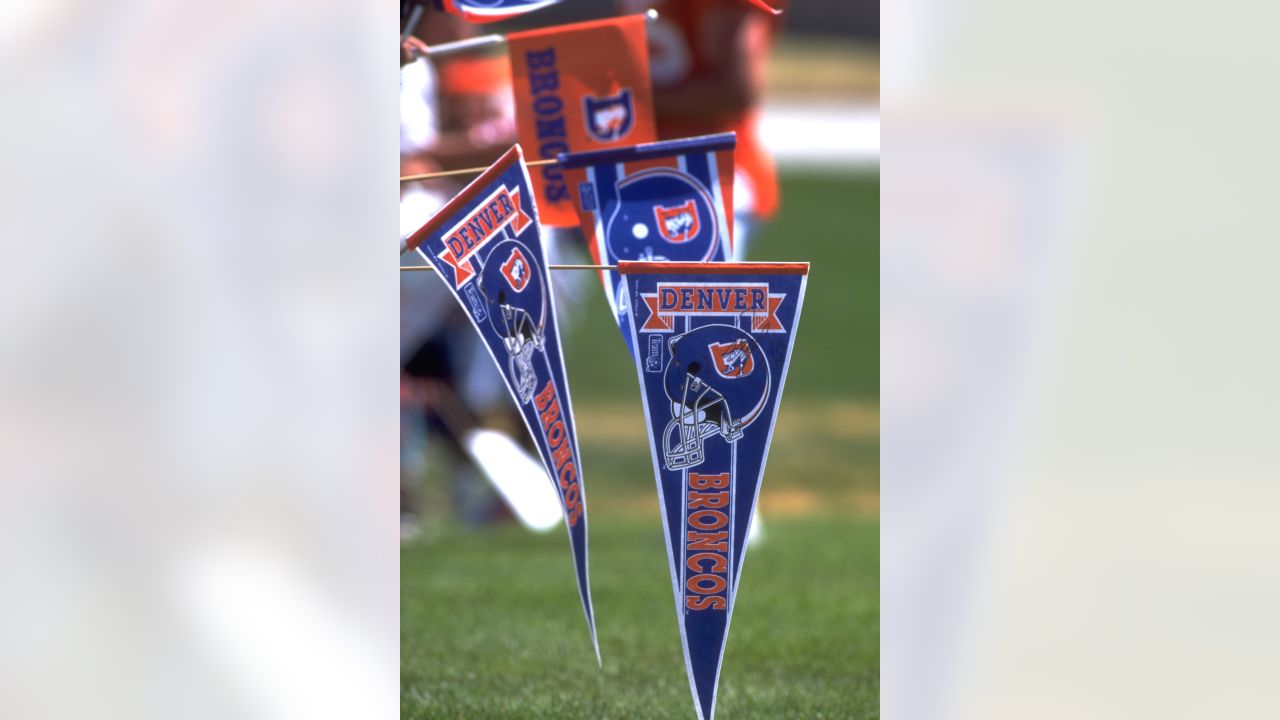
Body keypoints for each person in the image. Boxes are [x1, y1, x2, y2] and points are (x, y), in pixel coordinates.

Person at [619, 0, 786, 260]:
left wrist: (632, 103)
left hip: (714, 174)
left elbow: (734, 90)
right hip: (640, 170)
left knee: (688, 297)